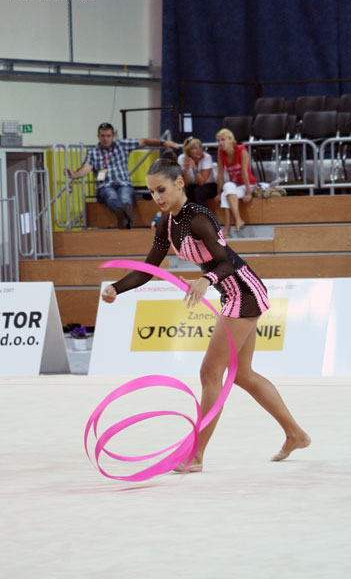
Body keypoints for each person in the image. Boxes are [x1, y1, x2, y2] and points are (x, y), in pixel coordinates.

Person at [101, 153, 311, 472]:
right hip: (231, 291)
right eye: (152, 192)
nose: (157, 197)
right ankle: (295, 433)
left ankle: (196, 456)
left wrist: (204, 279)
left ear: (179, 183)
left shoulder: (198, 216)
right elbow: (146, 270)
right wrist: (116, 288)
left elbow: (225, 260)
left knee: (210, 373)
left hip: (243, 290)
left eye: (161, 190)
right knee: (241, 375)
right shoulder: (167, 225)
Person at [64, 122, 178, 229]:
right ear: (98, 136)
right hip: (105, 185)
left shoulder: (122, 145)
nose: (105, 139)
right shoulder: (93, 152)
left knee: (126, 197)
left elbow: (144, 141)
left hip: (124, 183)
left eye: (108, 135)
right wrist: (74, 175)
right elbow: (86, 168)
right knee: (111, 196)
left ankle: (124, 217)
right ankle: (126, 216)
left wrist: (163, 143)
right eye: (102, 136)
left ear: (113, 136)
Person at [215, 128, 257, 238]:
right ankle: (238, 221)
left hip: (248, 184)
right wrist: (218, 193)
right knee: (227, 187)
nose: (220, 143)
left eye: (223, 140)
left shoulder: (241, 150)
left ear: (230, 139)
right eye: (218, 141)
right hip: (236, 185)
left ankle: (227, 231)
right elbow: (220, 173)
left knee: (226, 194)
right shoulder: (221, 153)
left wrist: (248, 193)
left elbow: (244, 172)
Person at [177, 136, 217, 207]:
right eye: (194, 148)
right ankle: (187, 216)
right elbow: (186, 183)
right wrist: (185, 171)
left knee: (198, 191)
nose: (199, 150)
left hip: (209, 185)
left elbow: (201, 182)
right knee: (185, 191)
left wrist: (194, 167)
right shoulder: (182, 158)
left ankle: (202, 216)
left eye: (200, 147)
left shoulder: (207, 157)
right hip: (192, 186)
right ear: (188, 151)